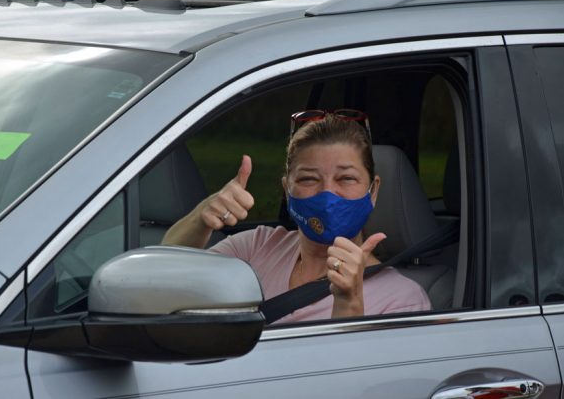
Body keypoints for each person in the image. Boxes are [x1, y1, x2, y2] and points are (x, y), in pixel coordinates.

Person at [162, 111, 431, 323]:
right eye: (308, 179)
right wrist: (200, 218)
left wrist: (349, 303)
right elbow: (165, 278)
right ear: (287, 191)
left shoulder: (402, 299)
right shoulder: (256, 247)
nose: (328, 193)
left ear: (373, 191)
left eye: (346, 178)